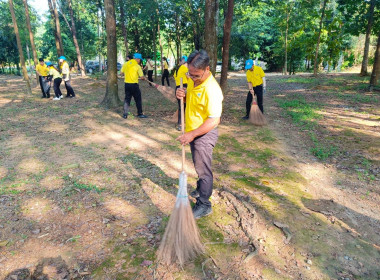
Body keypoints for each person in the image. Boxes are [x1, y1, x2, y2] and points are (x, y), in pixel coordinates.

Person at [175, 50, 223, 219]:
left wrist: (192, 134)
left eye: (196, 75)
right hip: (194, 132)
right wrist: (183, 95)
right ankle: (200, 189)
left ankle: (204, 204)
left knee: (203, 170)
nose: (191, 77)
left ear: (207, 69)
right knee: (198, 164)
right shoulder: (193, 79)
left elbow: (214, 120)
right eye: (190, 73)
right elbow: (193, 100)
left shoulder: (212, 90)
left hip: (204, 133)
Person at [120, 53, 148, 119]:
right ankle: (140, 113)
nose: (140, 61)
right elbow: (141, 77)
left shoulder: (125, 64)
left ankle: (125, 114)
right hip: (134, 85)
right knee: (138, 99)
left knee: (127, 99)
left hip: (127, 85)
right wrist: (144, 78)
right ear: (137, 59)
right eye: (140, 59)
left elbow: (121, 73)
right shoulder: (137, 66)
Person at [173, 55, 188, 131]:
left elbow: (175, 77)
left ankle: (180, 123)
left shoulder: (177, 69)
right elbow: (189, 77)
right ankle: (181, 124)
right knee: (183, 106)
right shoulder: (184, 68)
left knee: (181, 106)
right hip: (184, 87)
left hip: (177, 87)